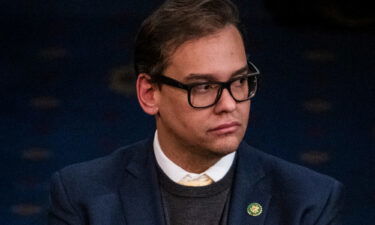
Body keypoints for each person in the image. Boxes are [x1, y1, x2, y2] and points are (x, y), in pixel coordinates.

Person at [48, 0, 344, 224]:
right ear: (150, 94)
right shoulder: (81, 196)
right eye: (203, 87)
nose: (229, 104)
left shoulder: (309, 201)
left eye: (239, 82)